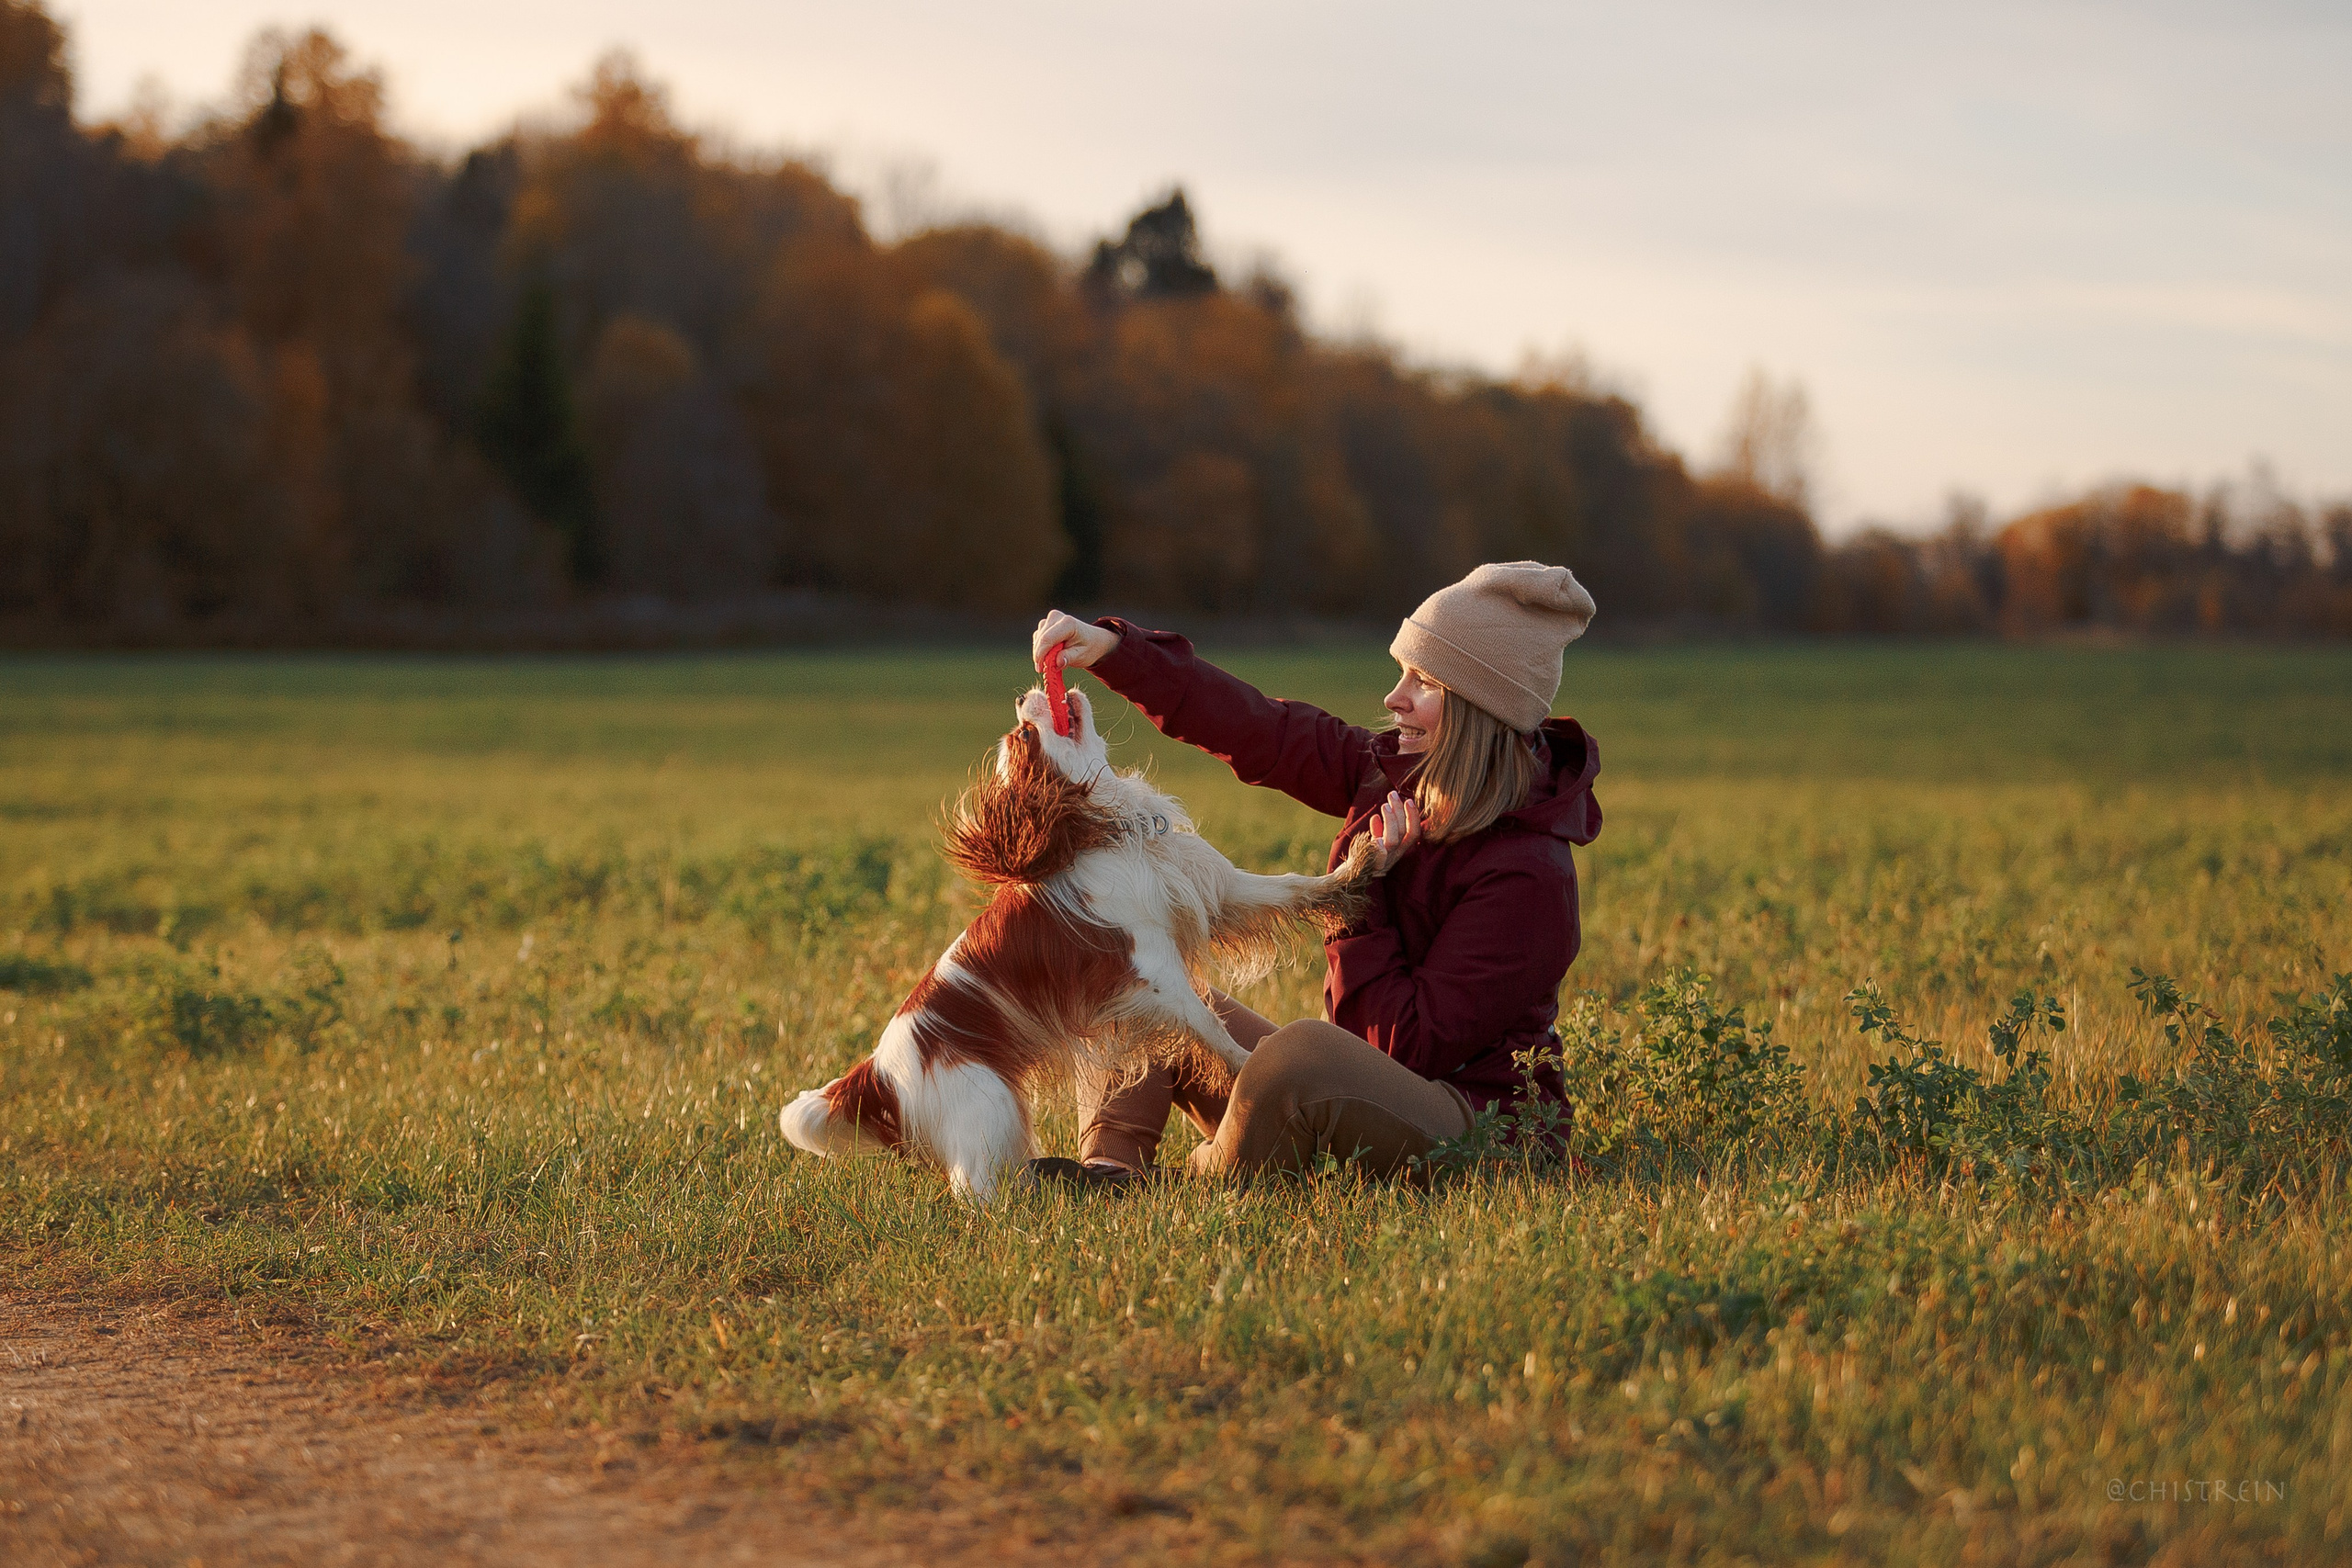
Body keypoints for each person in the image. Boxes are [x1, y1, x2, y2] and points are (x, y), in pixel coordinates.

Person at [1026, 560, 1601, 1188]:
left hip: (1475, 1133)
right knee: (1138, 980)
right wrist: (1115, 651)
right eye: (1402, 671)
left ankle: (1183, 1187)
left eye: (1425, 681)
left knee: (1303, 1057)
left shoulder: (1529, 876)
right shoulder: (1393, 772)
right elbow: (1258, 728)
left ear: (1479, 711)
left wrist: (1362, 890)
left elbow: (1401, 1050)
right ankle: (1110, 1174)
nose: (1394, 698)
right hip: (1366, 1091)